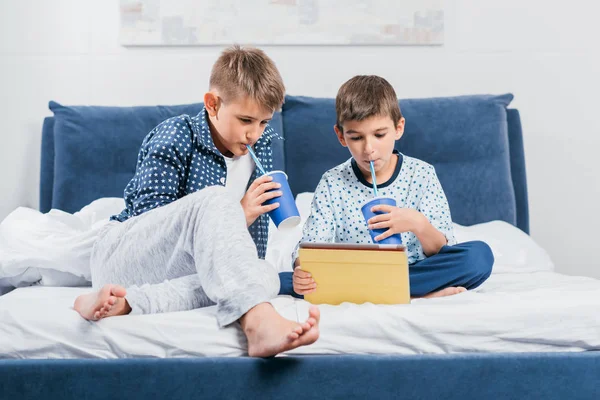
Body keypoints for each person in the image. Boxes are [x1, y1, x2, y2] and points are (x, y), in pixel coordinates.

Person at [73, 45, 319, 358]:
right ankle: (258, 322)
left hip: (184, 275)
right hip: (124, 254)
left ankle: (127, 303)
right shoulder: (175, 135)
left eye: (264, 123)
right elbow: (155, 228)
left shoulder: (262, 147)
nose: (254, 134)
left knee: (262, 272)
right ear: (212, 104)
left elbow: (235, 264)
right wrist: (237, 212)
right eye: (246, 120)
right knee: (217, 201)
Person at [292, 75, 493, 299]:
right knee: (285, 280)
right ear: (341, 136)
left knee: (479, 257)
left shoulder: (421, 174)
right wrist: (302, 270)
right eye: (356, 137)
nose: (369, 149)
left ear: (398, 128)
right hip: (356, 274)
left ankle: (388, 291)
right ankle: (414, 295)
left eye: (379, 135)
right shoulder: (333, 182)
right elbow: (310, 248)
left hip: (414, 270)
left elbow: (442, 250)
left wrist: (417, 223)